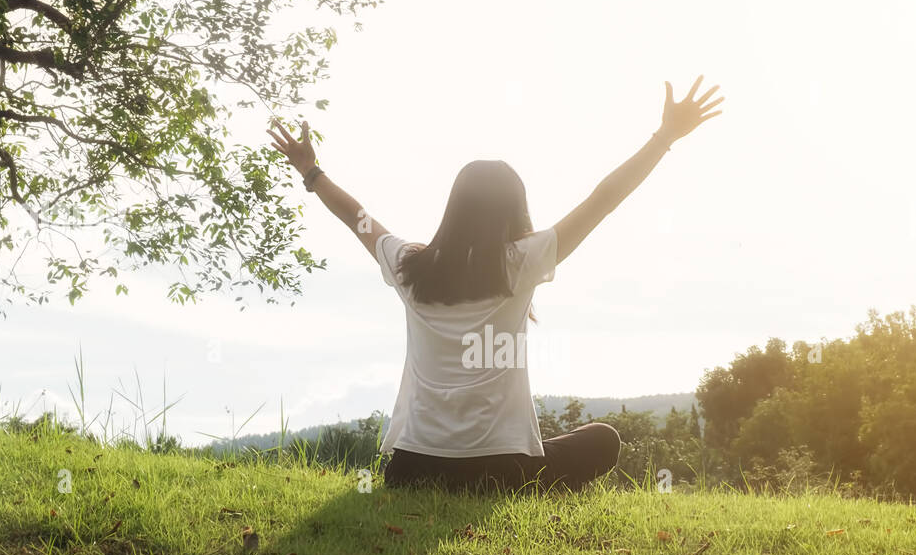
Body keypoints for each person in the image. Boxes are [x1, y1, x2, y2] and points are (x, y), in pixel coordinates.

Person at [268, 77, 722, 492]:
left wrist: (311, 172)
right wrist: (663, 138)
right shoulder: (520, 263)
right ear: (515, 211)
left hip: (409, 472)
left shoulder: (409, 265)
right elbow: (602, 201)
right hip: (499, 474)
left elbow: (356, 216)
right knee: (603, 438)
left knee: (570, 443)